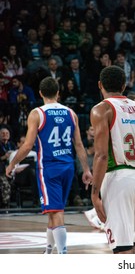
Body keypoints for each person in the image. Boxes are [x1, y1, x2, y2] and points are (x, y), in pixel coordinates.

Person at [5, 77, 93, 254]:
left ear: (40, 93)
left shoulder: (37, 113)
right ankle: (48, 250)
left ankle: (63, 254)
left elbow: (28, 145)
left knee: (57, 211)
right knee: (54, 210)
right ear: (58, 93)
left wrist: (12, 163)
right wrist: (86, 169)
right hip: (68, 166)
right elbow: (79, 145)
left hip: (49, 168)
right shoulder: (71, 113)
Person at [89, 65, 135, 254]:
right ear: (123, 85)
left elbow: (102, 155)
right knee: (130, 246)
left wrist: (94, 194)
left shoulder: (101, 109)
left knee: (122, 249)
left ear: (100, 85)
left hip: (119, 180)